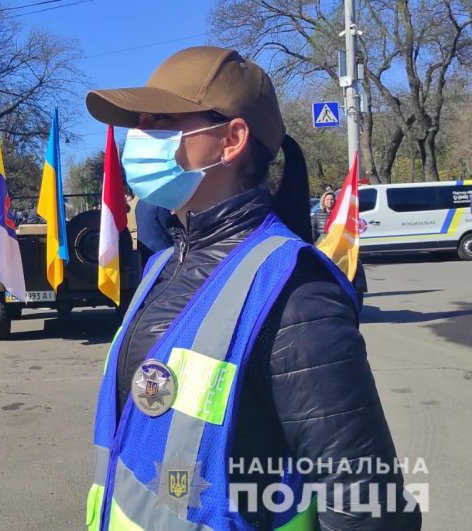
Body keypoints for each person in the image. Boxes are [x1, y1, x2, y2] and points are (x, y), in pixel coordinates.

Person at [84, 46, 420, 530]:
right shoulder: (160, 267)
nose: (136, 137)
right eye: (139, 121)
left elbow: (368, 505)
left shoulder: (295, 292)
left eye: (160, 120)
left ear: (231, 139)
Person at [135, 199, 174, 266]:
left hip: (143, 249)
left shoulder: (139, 203)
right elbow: (169, 226)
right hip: (161, 251)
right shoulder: (158, 203)